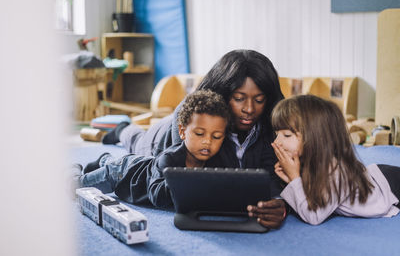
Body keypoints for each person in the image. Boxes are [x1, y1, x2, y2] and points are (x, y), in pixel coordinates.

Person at [103, 49, 287, 229]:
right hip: (159, 139)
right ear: (223, 94)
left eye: (259, 100)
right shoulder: (188, 124)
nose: (249, 109)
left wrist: (277, 202)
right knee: (137, 140)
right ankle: (122, 129)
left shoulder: (269, 122)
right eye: (239, 98)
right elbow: (181, 181)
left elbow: (271, 174)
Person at [72, 90, 231, 207]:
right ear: (182, 132)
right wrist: (188, 183)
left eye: (216, 136)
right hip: (121, 175)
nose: (207, 142)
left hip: (138, 164)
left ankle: (104, 159)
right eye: (199, 134)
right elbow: (156, 196)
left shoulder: (216, 163)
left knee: (124, 162)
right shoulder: (169, 158)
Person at [267, 94, 400, 225]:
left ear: (315, 137)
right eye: (276, 134)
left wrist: (294, 178)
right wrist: (291, 179)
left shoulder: (337, 172)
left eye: (286, 135)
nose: (276, 142)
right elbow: (309, 198)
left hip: (389, 185)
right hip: (377, 176)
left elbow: (313, 216)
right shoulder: (309, 161)